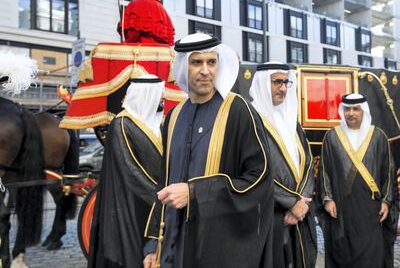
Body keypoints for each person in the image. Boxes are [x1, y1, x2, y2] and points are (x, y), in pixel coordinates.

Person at [143, 33, 274, 268]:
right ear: (184, 67)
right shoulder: (173, 117)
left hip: (218, 247)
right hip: (174, 244)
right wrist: (154, 244)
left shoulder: (238, 111)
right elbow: (162, 182)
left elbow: (259, 178)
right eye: (197, 63)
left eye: (211, 62)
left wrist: (195, 192)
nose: (206, 70)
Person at [88, 74, 165, 268]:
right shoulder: (121, 124)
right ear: (146, 95)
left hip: (154, 205)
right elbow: (129, 170)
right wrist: (161, 196)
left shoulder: (158, 123)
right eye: (159, 94)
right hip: (131, 205)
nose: (163, 98)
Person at [249, 62, 317, 268]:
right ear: (262, 83)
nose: (283, 88)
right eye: (277, 82)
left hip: (300, 216)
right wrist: (291, 203)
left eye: (286, 82)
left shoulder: (291, 120)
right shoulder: (250, 119)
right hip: (268, 216)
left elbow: (307, 165)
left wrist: (302, 203)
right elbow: (255, 173)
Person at [318, 93, 398, 268]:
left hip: (371, 210)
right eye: (347, 109)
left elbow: (389, 173)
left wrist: (386, 201)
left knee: (372, 256)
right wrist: (327, 198)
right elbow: (325, 171)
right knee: (342, 253)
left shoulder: (378, 137)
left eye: (356, 109)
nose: (351, 113)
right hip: (341, 210)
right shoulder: (332, 137)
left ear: (364, 111)